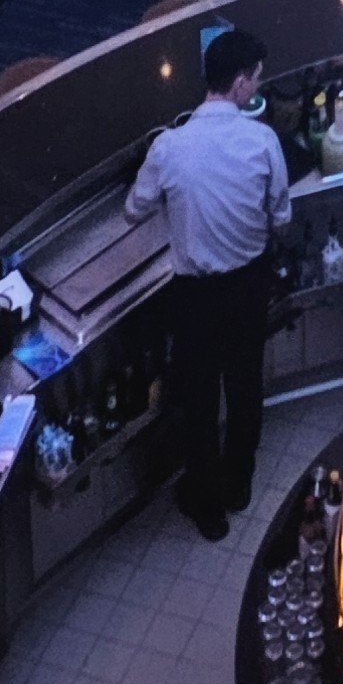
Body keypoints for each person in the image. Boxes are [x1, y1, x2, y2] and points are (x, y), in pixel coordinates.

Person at [126, 26, 288, 537]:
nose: (257, 87)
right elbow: (280, 219)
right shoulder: (262, 141)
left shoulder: (169, 148)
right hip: (248, 287)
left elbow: (134, 210)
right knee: (244, 386)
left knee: (198, 398)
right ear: (240, 84)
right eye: (256, 80)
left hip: (195, 296)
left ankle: (207, 508)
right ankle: (239, 484)